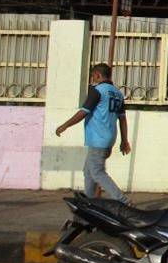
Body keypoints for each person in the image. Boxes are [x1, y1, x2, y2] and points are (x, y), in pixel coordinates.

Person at [55, 63, 131, 204]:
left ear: (97, 75)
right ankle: (91, 204)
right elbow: (123, 119)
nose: (92, 79)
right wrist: (124, 140)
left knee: (97, 172)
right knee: (88, 172)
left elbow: (84, 112)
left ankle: (123, 201)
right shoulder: (118, 94)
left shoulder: (98, 91)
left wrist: (64, 125)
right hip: (109, 138)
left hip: (98, 139)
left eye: (93, 76)